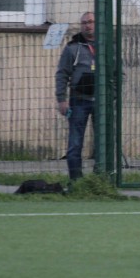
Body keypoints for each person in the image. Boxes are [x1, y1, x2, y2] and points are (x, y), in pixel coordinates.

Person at [55, 11, 96, 182]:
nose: (88, 25)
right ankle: (76, 181)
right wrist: (62, 99)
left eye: (91, 22)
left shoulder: (109, 45)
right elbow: (62, 74)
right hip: (78, 100)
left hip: (102, 102)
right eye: (84, 22)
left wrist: (113, 95)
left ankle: (100, 179)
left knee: (104, 144)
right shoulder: (72, 47)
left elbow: (119, 73)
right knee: (75, 143)